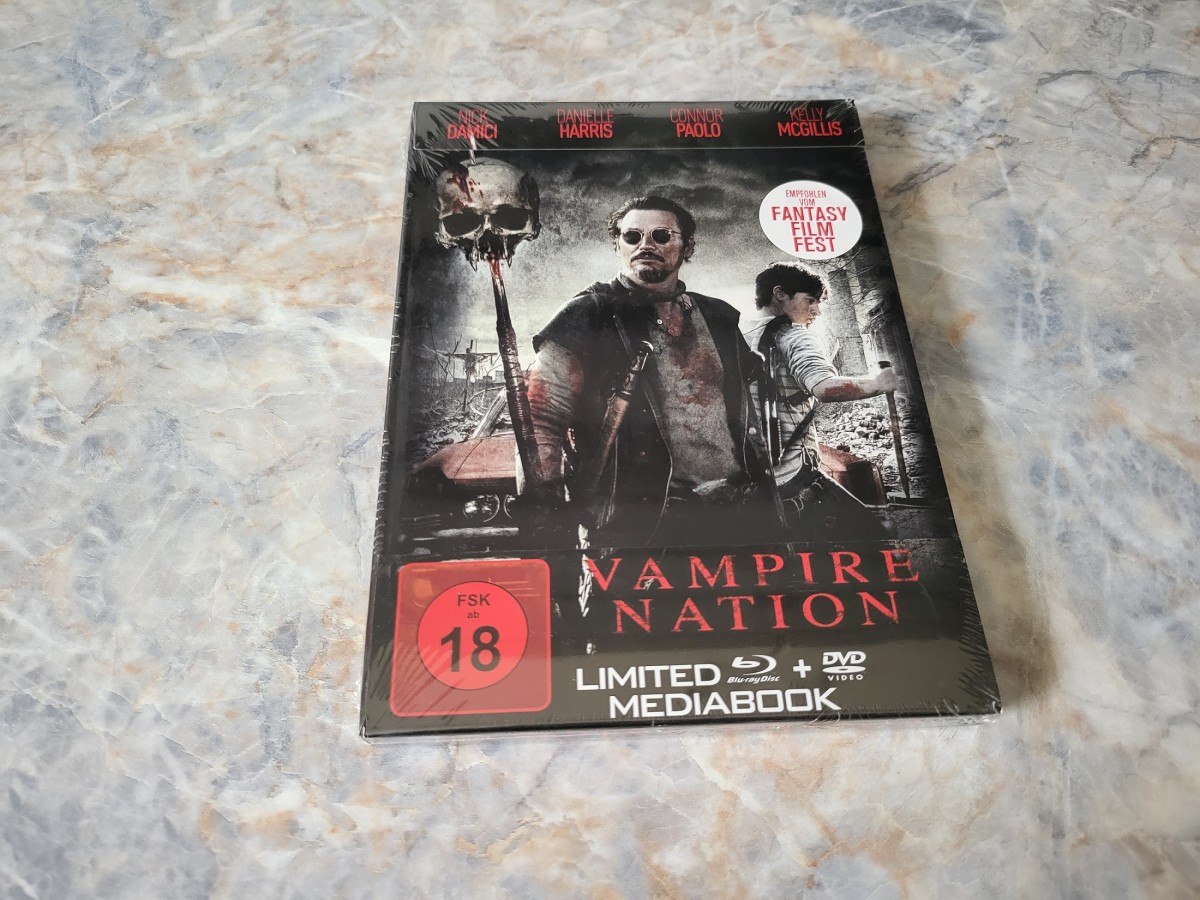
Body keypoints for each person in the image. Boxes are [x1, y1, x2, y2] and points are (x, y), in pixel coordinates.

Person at [526, 196, 784, 547]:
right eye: (632, 236)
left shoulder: (719, 316)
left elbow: (752, 410)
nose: (645, 245)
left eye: (661, 236)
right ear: (618, 245)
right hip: (635, 525)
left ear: (687, 247)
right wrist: (549, 518)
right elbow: (542, 419)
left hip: (736, 512)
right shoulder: (587, 315)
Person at [742, 262, 897, 528]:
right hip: (792, 477)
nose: (817, 310)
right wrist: (878, 383)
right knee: (875, 537)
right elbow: (825, 387)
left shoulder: (736, 335)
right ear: (780, 294)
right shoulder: (795, 336)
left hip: (747, 478)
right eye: (810, 300)